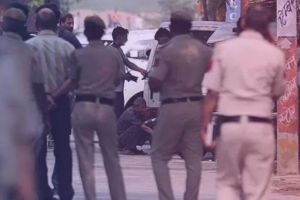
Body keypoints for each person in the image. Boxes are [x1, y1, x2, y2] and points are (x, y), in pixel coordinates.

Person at [200, 5, 286, 200]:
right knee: (258, 190)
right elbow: (277, 92)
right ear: (266, 26)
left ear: (244, 23)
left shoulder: (223, 50)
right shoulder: (275, 54)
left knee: (227, 185)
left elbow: (212, 94)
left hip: (230, 127)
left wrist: (204, 125)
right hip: (260, 127)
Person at [51, 15, 127, 200]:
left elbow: (71, 81)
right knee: (112, 158)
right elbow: (118, 78)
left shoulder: (79, 54)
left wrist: (53, 96)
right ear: (103, 32)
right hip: (107, 108)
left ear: (85, 32)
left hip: (83, 107)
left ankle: (90, 197)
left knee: (86, 160)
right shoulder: (114, 54)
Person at [148, 9, 212, 200]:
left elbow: (156, 82)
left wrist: (154, 76)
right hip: (196, 106)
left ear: (172, 27)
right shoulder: (204, 50)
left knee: (159, 156)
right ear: (190, 26)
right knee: (194, 159)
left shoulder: (166, 50)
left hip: (172, 106)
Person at [26, 8, 75, 200]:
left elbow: (26, 78)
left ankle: (42, 191)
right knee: (62, 148)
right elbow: (73, 79)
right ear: (57, 25)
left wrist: (44, 96)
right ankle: (64, 190)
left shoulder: (28, 46)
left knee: (38, 149)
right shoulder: (67, 47)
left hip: (35, 103)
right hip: (61, 102)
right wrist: (55, 95)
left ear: (36, 25)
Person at [0, 8, 46, 200]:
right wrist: (45, 116)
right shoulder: (30, 51)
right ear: (22, 27)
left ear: (3, 24)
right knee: (24, 172)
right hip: (24, 119)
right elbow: (39, 88)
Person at [111, 26, 147, 118]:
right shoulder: (111, 51)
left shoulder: (118, 49)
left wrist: (140, 70)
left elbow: (127, 62)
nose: (127, 39)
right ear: (119, 37)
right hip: (113, 90)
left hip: (119, 88)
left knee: (119, 112)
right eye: (125, 37)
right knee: (116, 114)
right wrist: (125, 76)